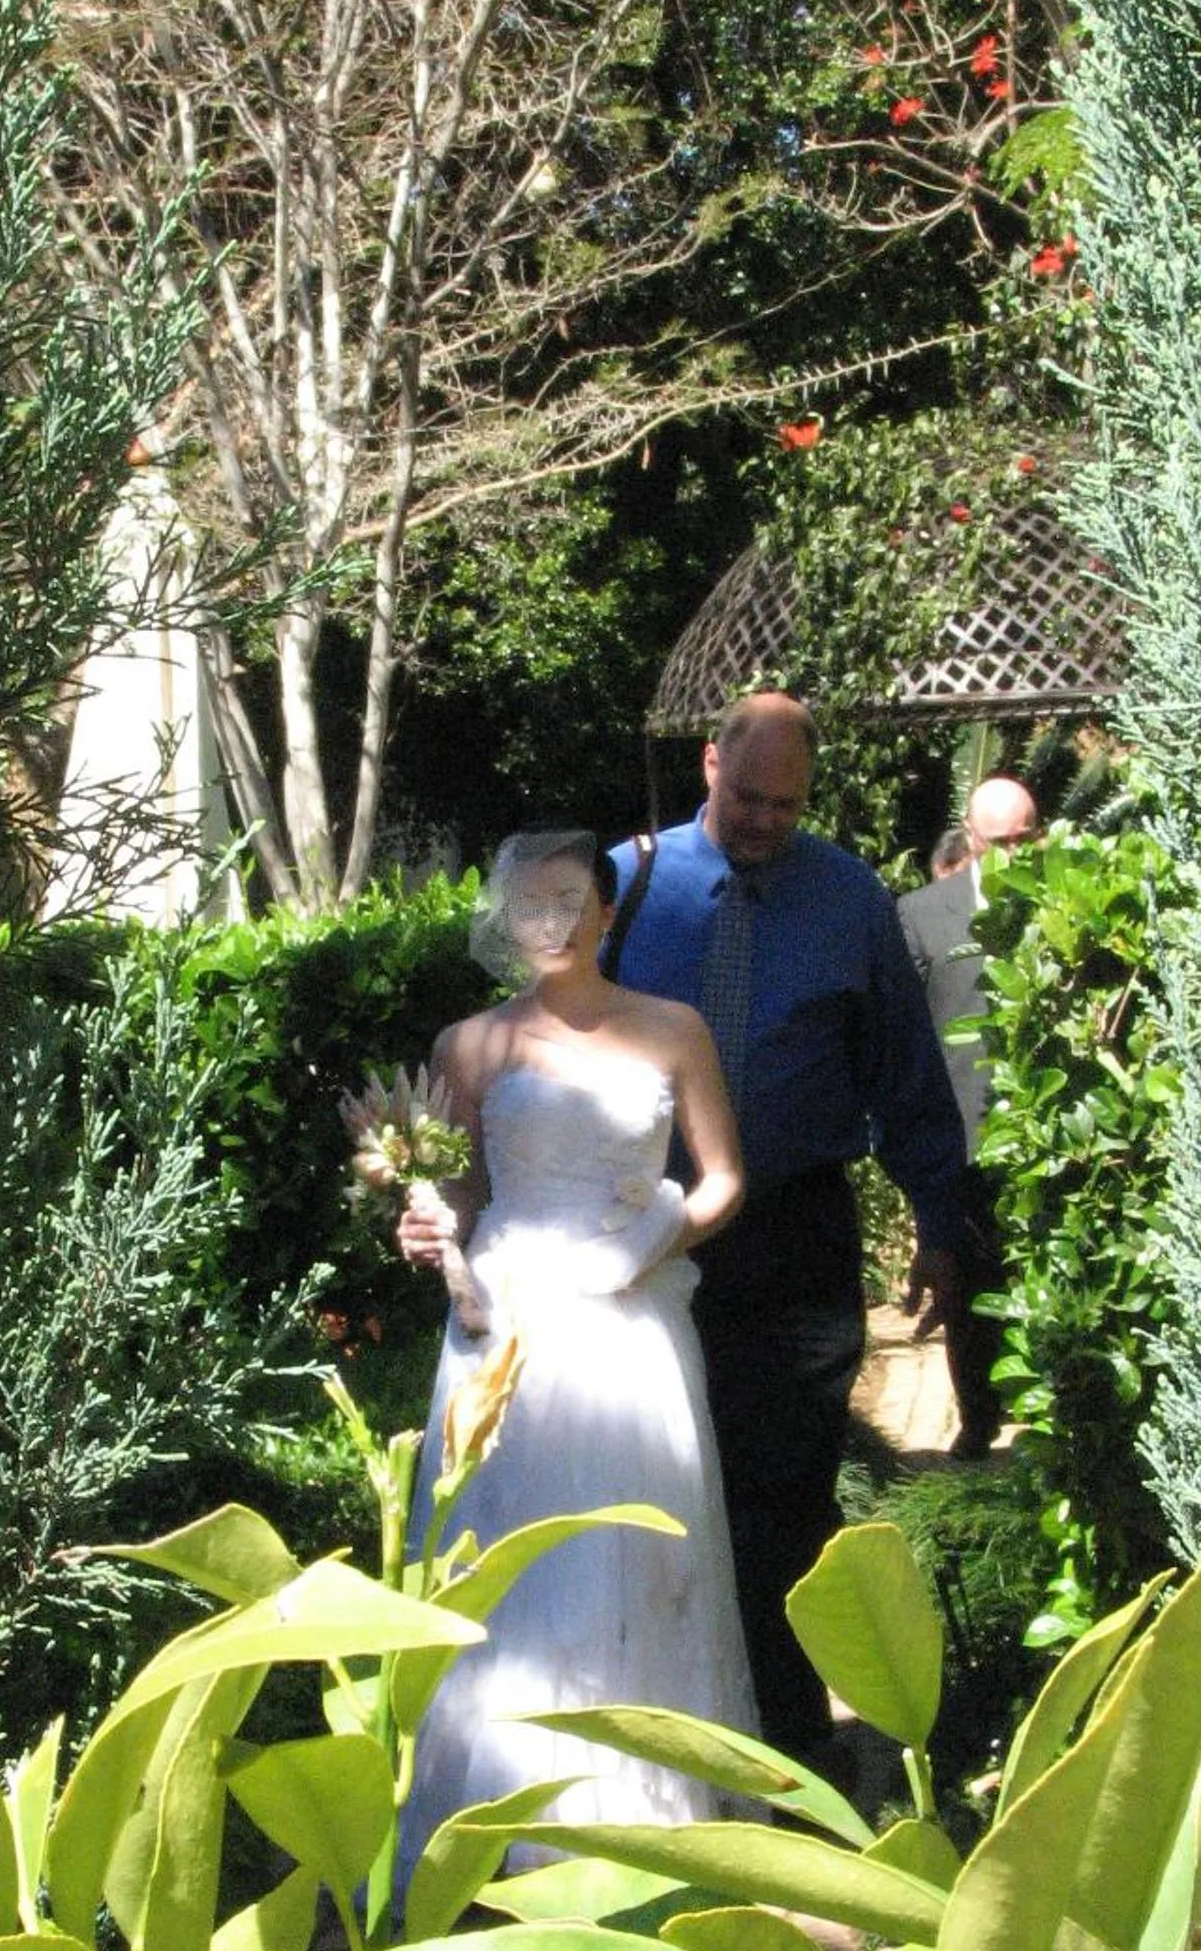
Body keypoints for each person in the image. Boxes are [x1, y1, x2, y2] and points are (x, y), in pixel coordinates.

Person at [603, 693, 968, 1764]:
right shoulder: (628, 888)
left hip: (793, 1226)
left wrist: (940, 1225)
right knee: (660, 1484)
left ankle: (792, 1745)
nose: (763, 818)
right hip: (647, 1236)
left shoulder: (849, 899)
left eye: (786, 803)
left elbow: (905, 1070)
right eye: (745, 794)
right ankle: (663, 1737)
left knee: (788, 1489)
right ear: (708, 763)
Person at [393, 831, 759, 1866]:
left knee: (636, 1550)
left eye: (570, 899)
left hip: (632, 1317)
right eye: (529, 903)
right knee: (507, 1549)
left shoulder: (674, 1030)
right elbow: (457, 1193)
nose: (551, 921)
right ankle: (497, 1811)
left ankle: (638, 1805)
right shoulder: (472, 1045)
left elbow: (724, 1178)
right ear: (507, 920)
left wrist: (656, 1236)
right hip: (508, 1313)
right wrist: (424, 1227)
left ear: (607, 910)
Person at [897, 773, 1041, 1458]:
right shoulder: (925, 915)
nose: (1014, 855)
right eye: (999, 843)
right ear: (971, 838)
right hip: (964, 1140)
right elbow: (907, 1035)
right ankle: (977, 1425)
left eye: (1026, 839)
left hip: (1050, 1136)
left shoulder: (1063, 901)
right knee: (968, 1295)